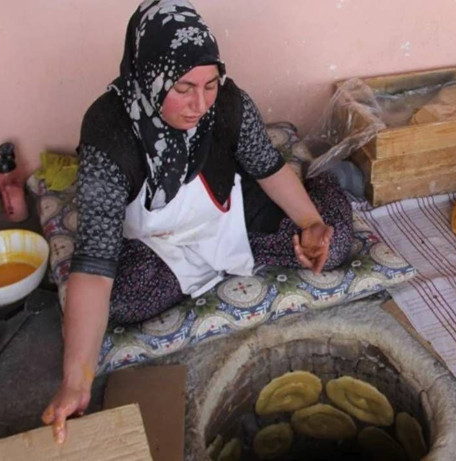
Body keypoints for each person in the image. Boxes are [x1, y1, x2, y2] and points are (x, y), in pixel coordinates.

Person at [41, 0, 353, 444]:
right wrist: (76, 380)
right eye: (184, 87)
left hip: (229, 217)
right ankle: (213, 267)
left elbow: (266, 168)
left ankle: (326, 185)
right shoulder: (108, 131)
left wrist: (310, 223)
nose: (199, 104)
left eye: (210, 84)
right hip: (158, 242)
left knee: (334, 246)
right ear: (149, 74)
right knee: (118, 301)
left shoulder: (228, 105)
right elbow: (94, 263)